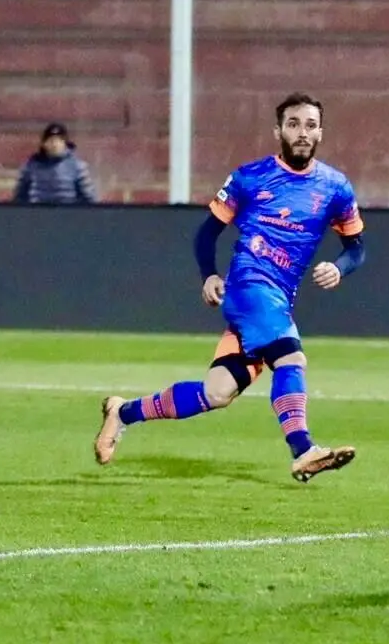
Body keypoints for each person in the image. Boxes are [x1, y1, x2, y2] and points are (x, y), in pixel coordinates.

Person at [93, 92, 365, 483]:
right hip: (248, 288)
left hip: (279, 299)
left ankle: (123, 412)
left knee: (216, 392)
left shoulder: (335, 188)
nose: (302, 133)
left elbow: (356, 248)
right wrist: (209, 274)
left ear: (321, 132)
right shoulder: (250, 178)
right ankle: (303, 449)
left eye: (310, 125)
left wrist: (339, 268)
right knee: (291, 359)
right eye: (293, 124)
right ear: (278, 131)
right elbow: (207, 233)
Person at [12, 122, 99, 204]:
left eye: (59, 140)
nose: (55, 144)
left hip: (67, 212)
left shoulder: (77, 166)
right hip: (37, 212)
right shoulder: (31, 166)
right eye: (51, 140)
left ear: (65, 143)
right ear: (44, 144)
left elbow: (90, 198)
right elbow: (19, 197)